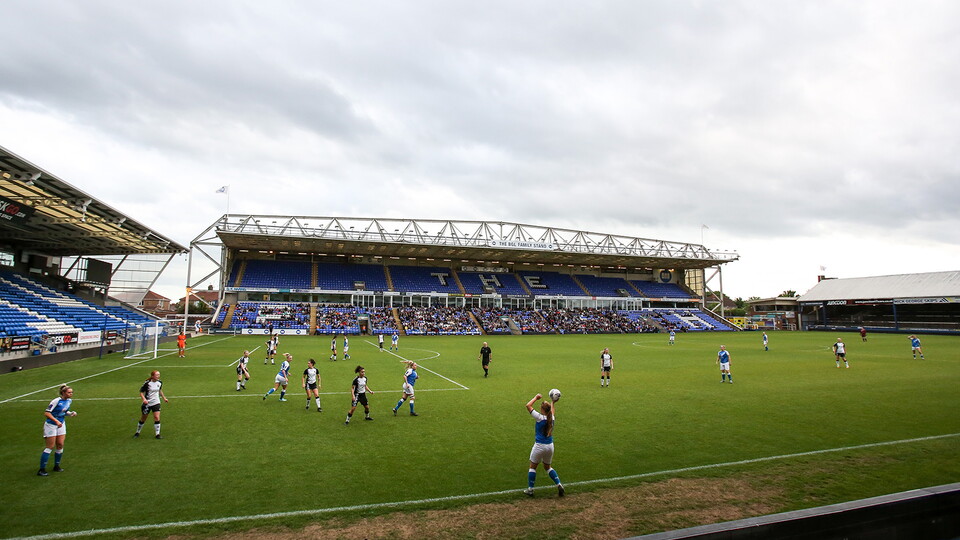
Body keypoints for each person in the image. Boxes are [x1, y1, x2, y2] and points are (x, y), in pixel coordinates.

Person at [523, 393, 564, 497]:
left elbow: (528, 406)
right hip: (550, 446)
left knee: (532, 467)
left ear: (542, 410)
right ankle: (559, 484)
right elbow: (552, 412)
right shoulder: (552, 418)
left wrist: (536, 398)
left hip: (539, 446)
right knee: (548, 467)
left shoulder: (539, 417)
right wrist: (553, 402)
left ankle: (530, 489)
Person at [38, 384, 77, 476]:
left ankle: (56, 466)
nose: (71, 394)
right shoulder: (56, 401)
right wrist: (56, 421)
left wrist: (71, 413)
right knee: (50, 446)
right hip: (51, 425)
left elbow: (64, 412)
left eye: (72, 392)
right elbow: (47, 413)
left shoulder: (69, 401)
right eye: (69, 392)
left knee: (60, 444)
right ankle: (41, 469)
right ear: (63, 393)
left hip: (61, 424)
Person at [135, 370, 169, 439]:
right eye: (157, 375)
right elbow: (141, 392)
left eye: (159, 375)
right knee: (143, 418)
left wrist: (164, 398)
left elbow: (159, 390)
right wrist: (144, 399)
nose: (158, 376)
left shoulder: (159, 382)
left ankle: (157, 434)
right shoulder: (147, 383)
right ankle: (138, 432)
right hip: (147, 403)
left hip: (156, 402)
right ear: (152, 376)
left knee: (156, 417)